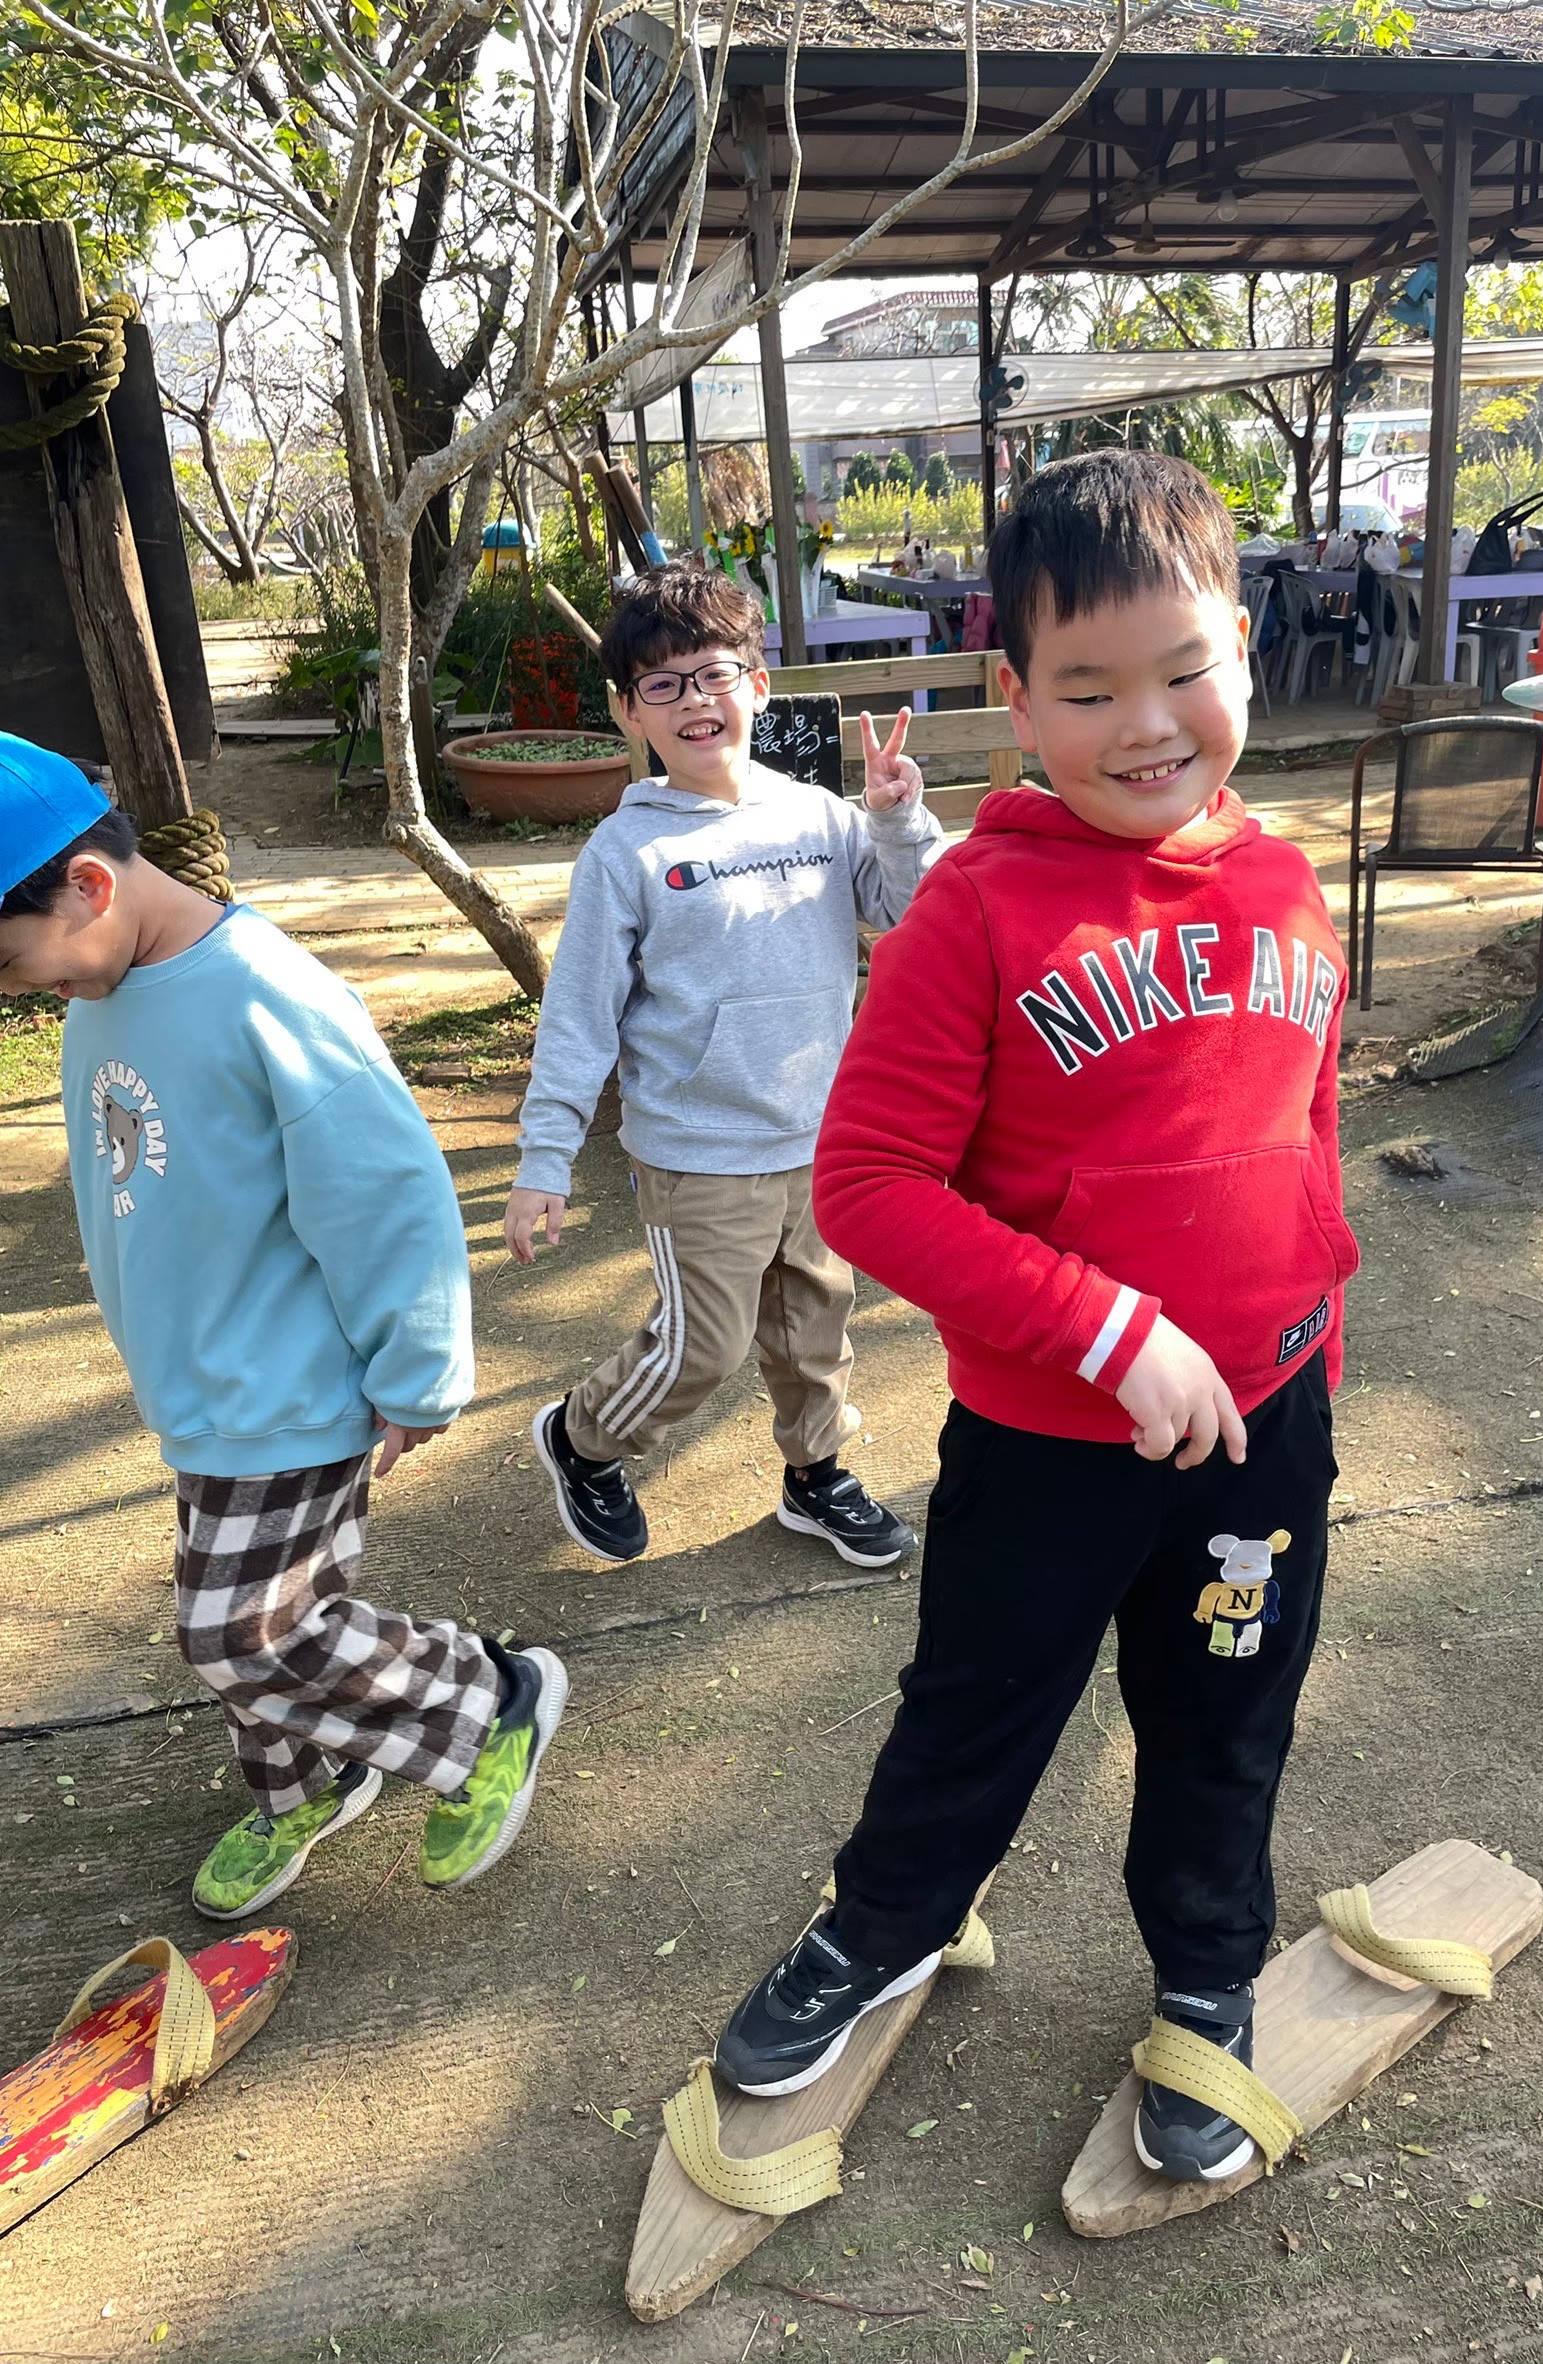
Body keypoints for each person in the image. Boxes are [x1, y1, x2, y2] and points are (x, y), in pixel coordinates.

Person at [715, 453, 1358, 2184]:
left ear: (1243, 649)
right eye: (1085, 689)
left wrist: (1306, 1331)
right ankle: (885, 1923)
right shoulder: (973, 911)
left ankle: (1207, 1972)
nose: (1143, 725)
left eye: (1182, 671)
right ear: (1014, 696)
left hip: (1259, 1436)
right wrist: (1109, 1330)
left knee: (1224, 1720)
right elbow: (868, 1186)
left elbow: (1301, 1127)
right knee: (976, 1707)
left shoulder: (1286, 883)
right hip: (1045, 1442)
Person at [0, 736, 565, 1919]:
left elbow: (386, 1193)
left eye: (13, 964)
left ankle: (482, 1702)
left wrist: (418, 1372)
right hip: (203, 1384)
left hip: (289, 1385)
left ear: (89, 886)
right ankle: (305, 1783)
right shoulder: (106, 986)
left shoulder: (265, 993)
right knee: (262, 1612)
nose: (18, 992)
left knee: (240, 1633)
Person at [504, 567, 946, 1568]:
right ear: (629, 711)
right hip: (697, 1153)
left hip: (818, 1138)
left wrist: (893, 818)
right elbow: (580, 1018)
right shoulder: (625, 852)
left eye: (713, 675)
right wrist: (544, 1158)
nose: (694, 701)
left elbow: (908, 910)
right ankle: (583, 1437)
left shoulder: (819, 816)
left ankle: (815, 1475)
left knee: (815, 1327)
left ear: (757, 684)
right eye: (662, 686)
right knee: (701, 1344)